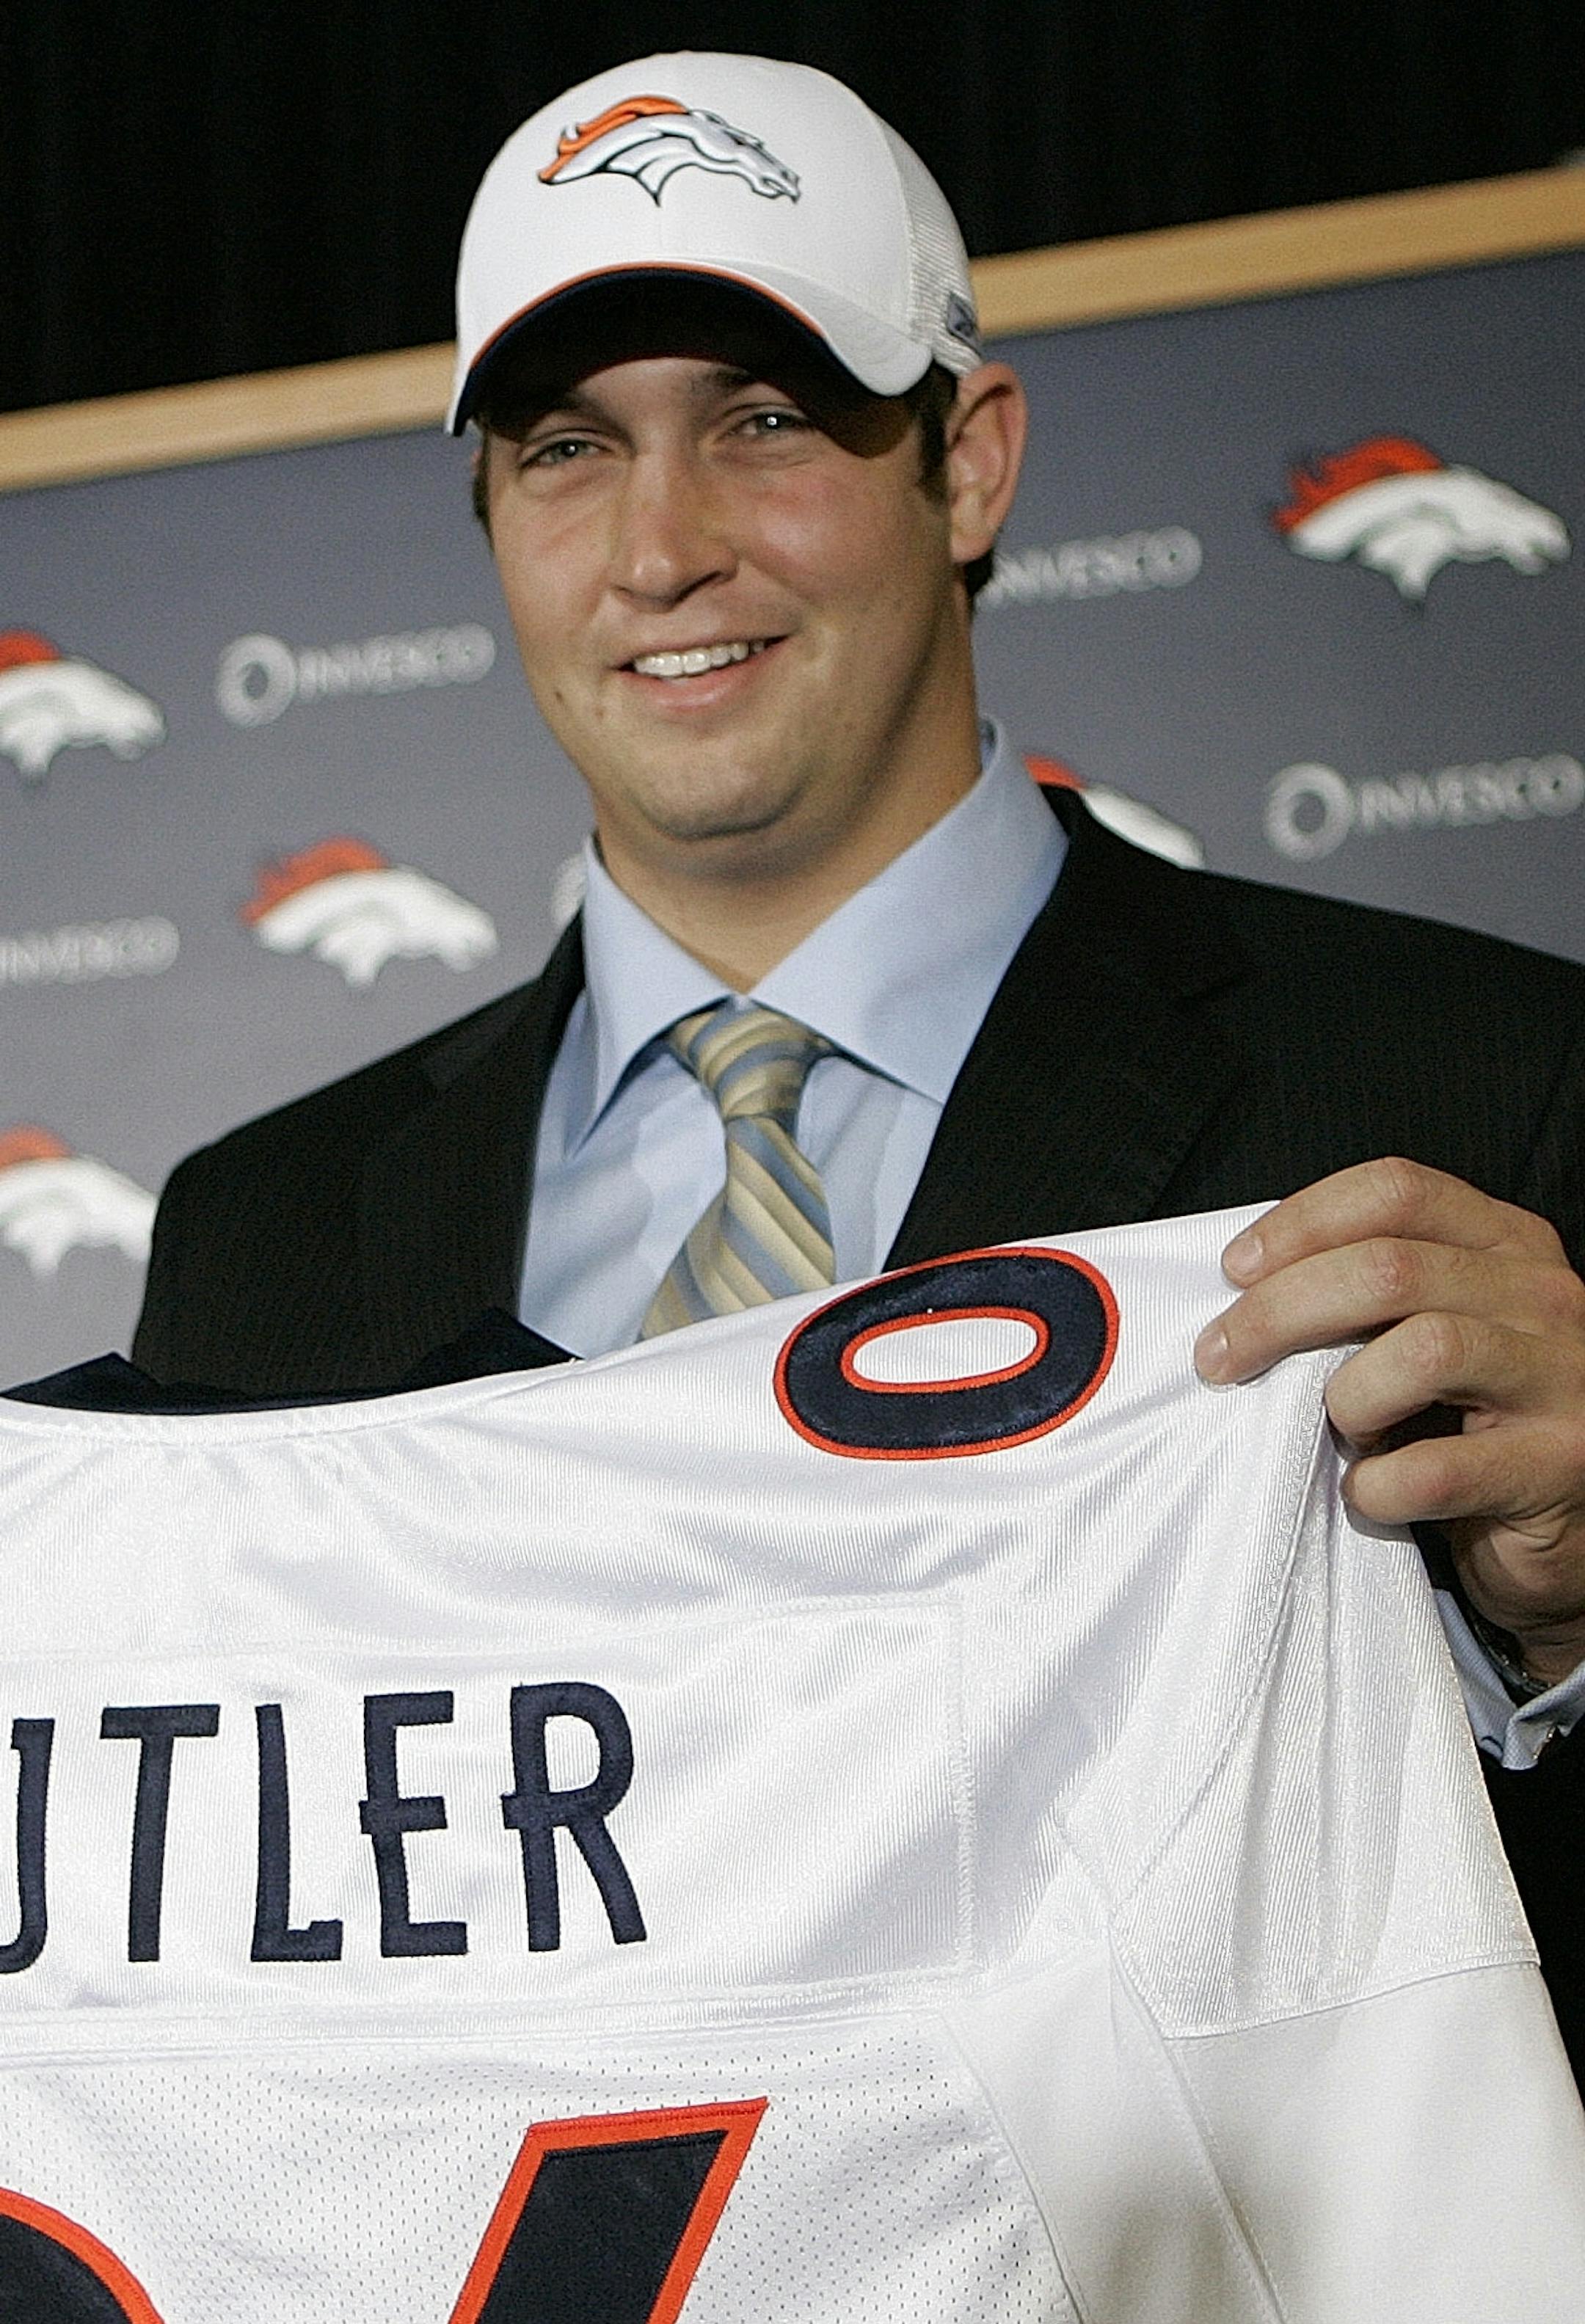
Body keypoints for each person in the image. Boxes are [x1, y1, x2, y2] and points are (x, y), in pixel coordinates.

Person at [131, 55, 1585, 2055]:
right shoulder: (259, 1239)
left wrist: (1568, 1626)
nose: (662, 549)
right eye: (566, 447)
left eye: (763, 419)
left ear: (969, 460)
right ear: (486, 519)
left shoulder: (1478, 1090)